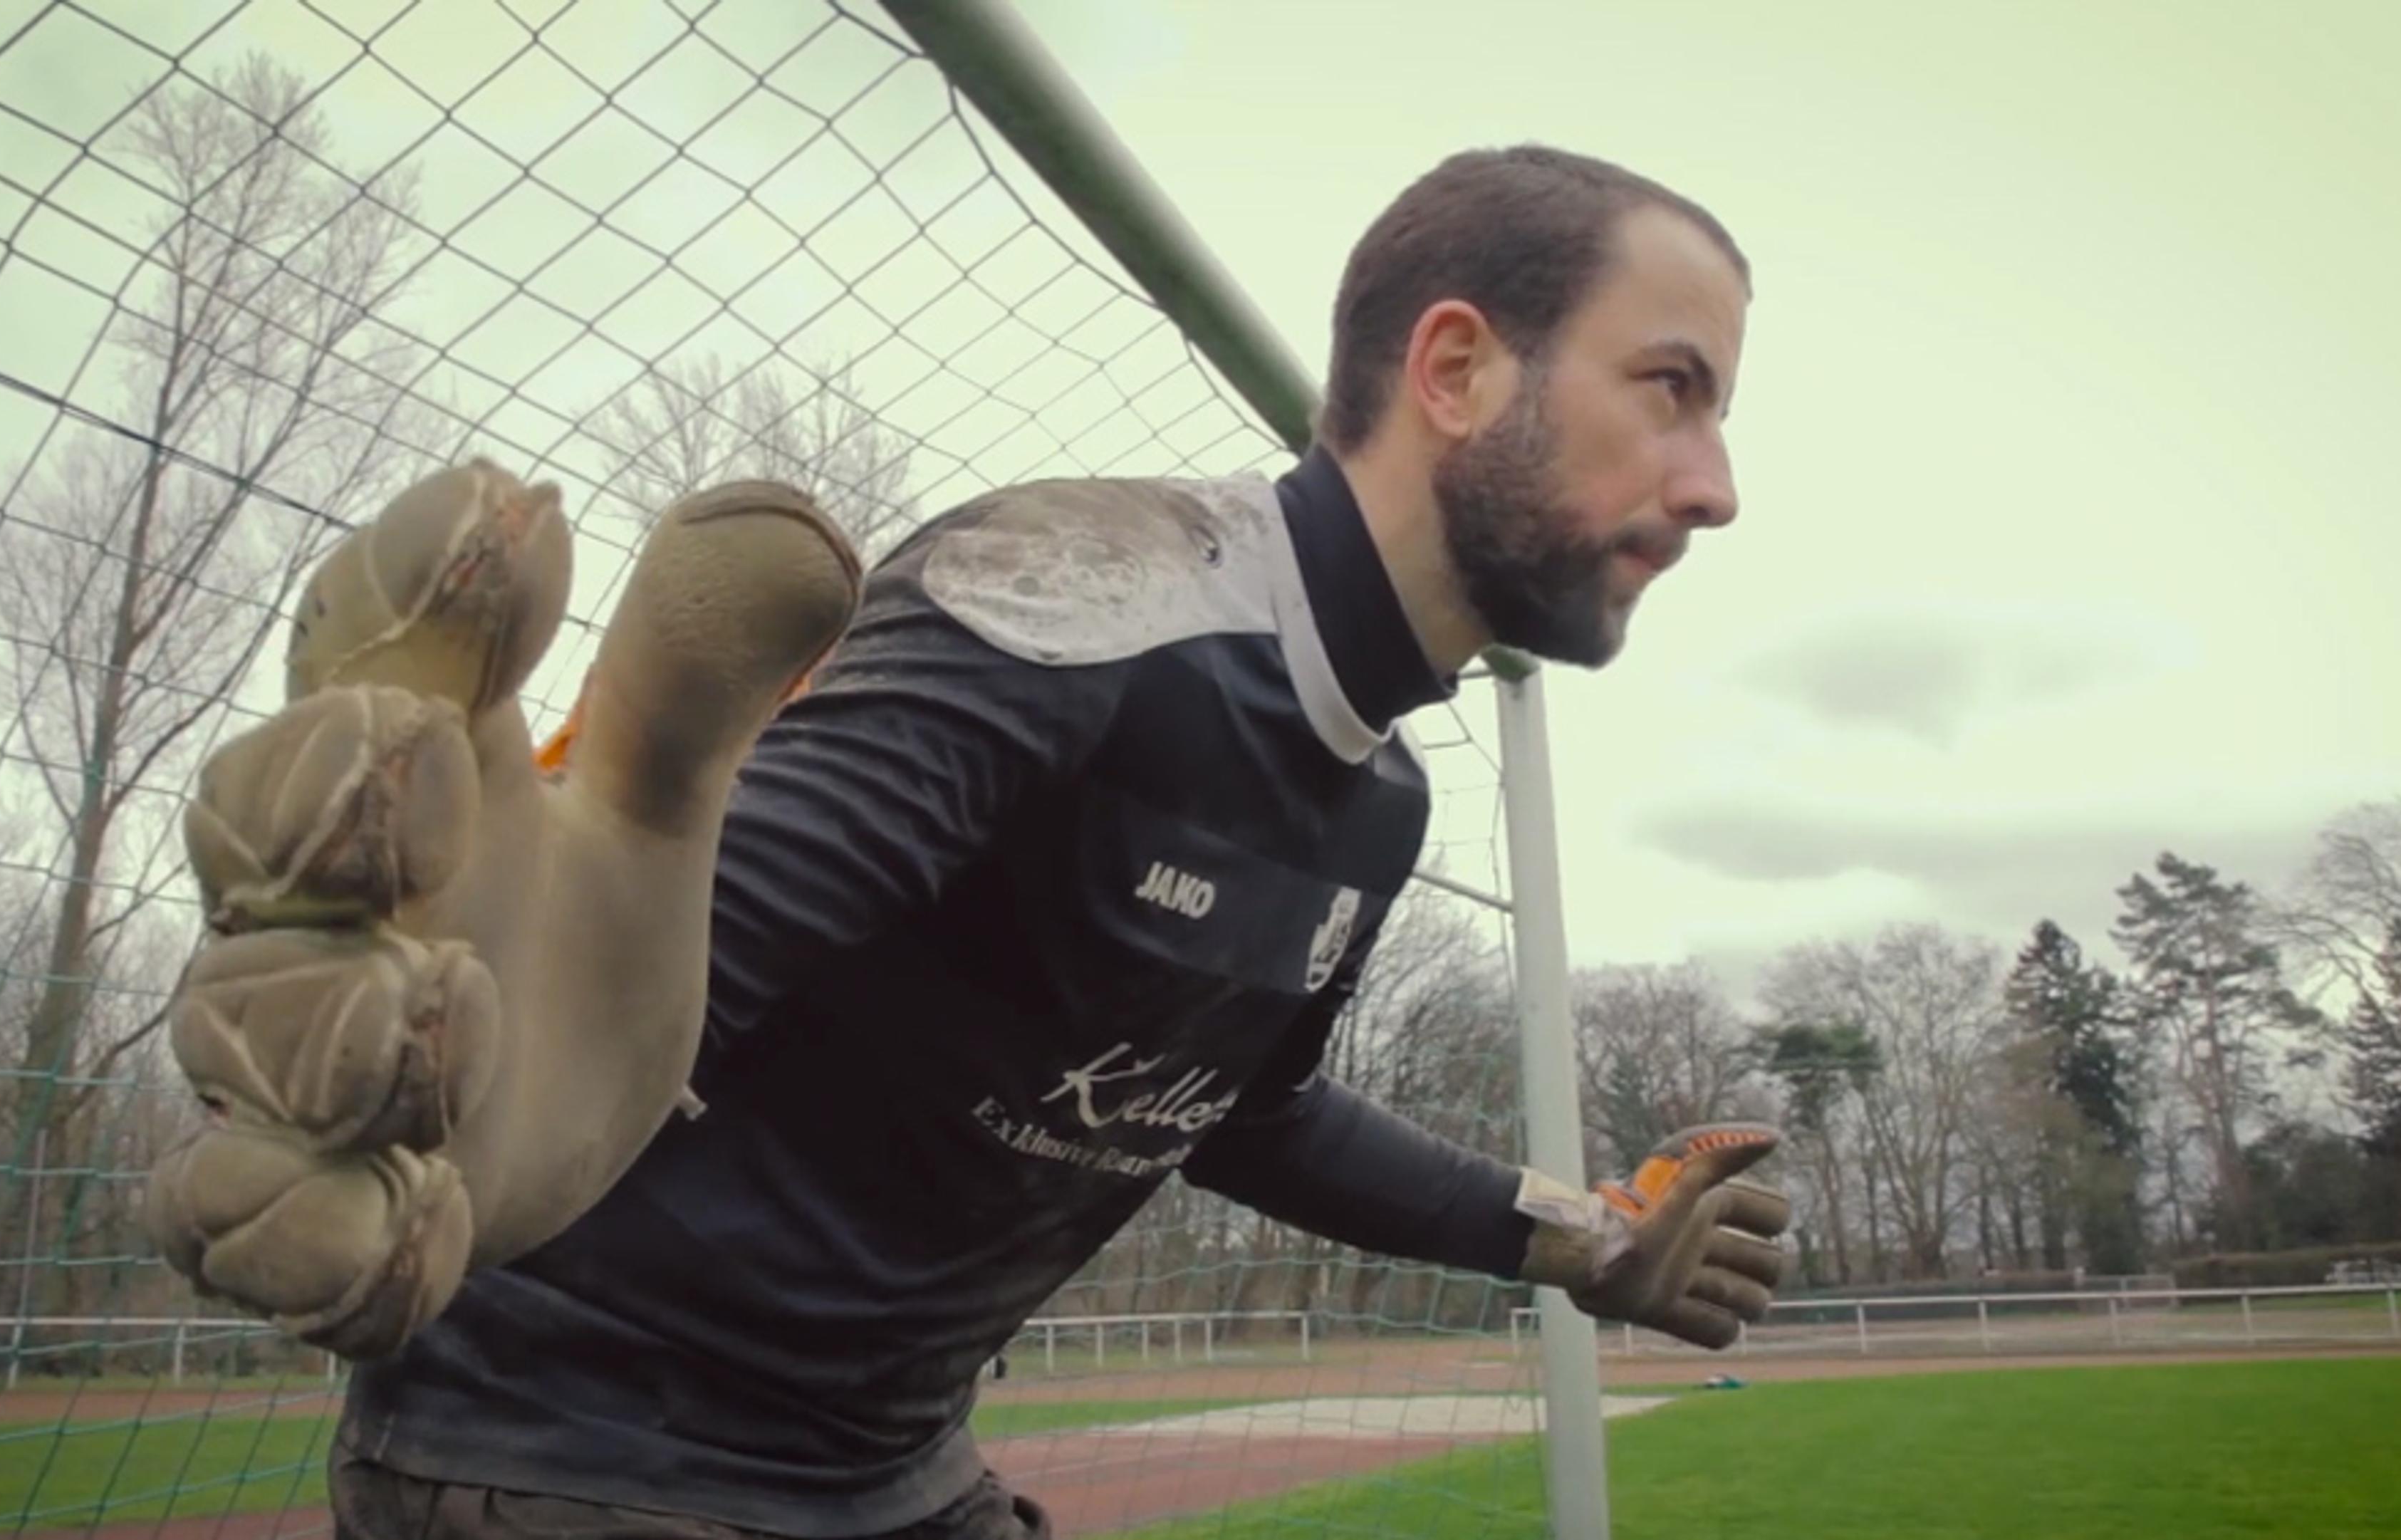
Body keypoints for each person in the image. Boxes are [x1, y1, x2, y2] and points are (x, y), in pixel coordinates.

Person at [149, 143, 1791, 1540]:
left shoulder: (1382, 798)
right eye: (1671, 389)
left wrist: (1580, 1236)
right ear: (1456, 370)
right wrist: (465, 1077)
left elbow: (1240, 1108)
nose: (1713, 487)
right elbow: (671, 965)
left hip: (888, 1474)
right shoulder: (1074, 608)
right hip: (573, 1459)